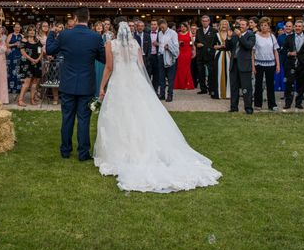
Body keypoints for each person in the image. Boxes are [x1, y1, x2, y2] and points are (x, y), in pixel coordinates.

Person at [94, 19, 221, 193]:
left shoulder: (111, 44)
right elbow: (140, 65)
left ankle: (124, 150)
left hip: (119, 81)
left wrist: (101, 87)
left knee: (120, 114)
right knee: (140, 114)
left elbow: (109, 67)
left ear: (115, 31)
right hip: (135, 81)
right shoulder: (134, 44)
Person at [46, 7, 105, 161]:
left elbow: (50, 49)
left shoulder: (65, 35)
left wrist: (52, 33)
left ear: (76, 18)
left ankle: (65, 151)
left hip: (68, 84)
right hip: (86, 85)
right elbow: (104, 58)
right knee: (84, 119)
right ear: (88, 18)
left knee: (67, 118)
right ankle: (83, 153)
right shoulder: (95, 37)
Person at [226, 18, 255, 114]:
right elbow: (228, 47)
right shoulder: (234, 35)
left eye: (243, 25)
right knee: (234, 87)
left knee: (246, 88)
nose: (241, 26)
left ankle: (248, 107)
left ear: (247, 26)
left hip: (244, 65)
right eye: (240, 24)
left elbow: (248, 46)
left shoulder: (251, 35)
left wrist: (240, 35)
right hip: (234, 64)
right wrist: (229, 38)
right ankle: (234, 107)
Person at [253, 17, 280, 111]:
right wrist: (253, 66)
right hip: (258, 63)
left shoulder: (272, 36)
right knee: (258, 85)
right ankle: (257, 104)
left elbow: (275, 51)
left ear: (269, 26)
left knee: (270, 85)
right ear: (259, 26)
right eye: (262, 25)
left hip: (271, 63)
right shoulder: (256, 36)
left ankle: (272, 105)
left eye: (265, 25)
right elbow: (252, 52)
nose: (263, 27)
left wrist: (278, 65)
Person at [282, 20, 304, 109]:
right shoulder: (289, 37)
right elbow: (283, 50)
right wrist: (289, 53)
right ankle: (288, 103)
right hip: (290, 64)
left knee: (301, 85)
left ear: (303, 28)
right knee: (289, 84)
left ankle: (298, 103)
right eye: (296, 26)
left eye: (299, 26)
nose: (297, 28)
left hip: (303, 65)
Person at [18, 25, 43, 106]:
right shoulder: (24, 40)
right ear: (27, 31)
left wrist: (38, 59)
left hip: (37, 63)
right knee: (27, 82)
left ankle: (32, 100)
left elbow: (41, 51)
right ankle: (20, 100)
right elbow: (23, 52)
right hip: (27, 63)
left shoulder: (37, 40)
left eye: (33, 30)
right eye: (30, 30)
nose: (32, 32)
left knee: (35, 82)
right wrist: (31, 59)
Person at [156, 18, 179, 102]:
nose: (162, 29)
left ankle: (170, 95)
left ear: (166, 24)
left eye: (163, 27)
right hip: (161, 56)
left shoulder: (173, 33)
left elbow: (176, 46)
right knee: (161, 77)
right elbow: (160, 44)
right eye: (160, 28)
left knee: (170, 77)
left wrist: (168, 47)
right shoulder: (159, 33)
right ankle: (162, 94)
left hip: (170, 57)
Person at [194, 15, 215, 95]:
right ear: (201, 22)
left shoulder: (214, 30)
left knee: (210, 73)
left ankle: (211, 89)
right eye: (203, 21)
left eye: (206, 21)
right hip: (200, 54)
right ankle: (203, 89)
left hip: (210, 55)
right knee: (200, 72)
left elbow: (215, 43)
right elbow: (195, 42)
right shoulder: (198, 30)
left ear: (209, 22)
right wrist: (197, 44)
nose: (205, 22)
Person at [210, 19, 231, 99]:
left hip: (229, 55)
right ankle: (219, 93)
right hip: (219, 55)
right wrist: (220, 46)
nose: (224, 26)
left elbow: (233, 46)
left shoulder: (231, 34)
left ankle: (228, 94)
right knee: (219, 73)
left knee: (229, 74)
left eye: (226, 24)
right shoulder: (216, 35)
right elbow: (213, 46)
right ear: (220, 25)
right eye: (223, 24)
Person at [173, 22, 194, 90]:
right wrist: (179, 43)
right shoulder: (177, 34)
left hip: (188, 52)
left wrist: (193, 51)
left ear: (186, 27)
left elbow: (192, 43)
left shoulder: (190, 33)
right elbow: (175, 44)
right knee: (179, 67)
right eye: (181, 26)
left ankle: (187, 84)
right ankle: (179, 84)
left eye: (184, 26)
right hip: (180, 52)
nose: (183, 28)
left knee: (187, 68)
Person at [6, 23, 23, 95]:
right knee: (11, 69)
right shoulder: (10, 35)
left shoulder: (22, 36)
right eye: (16, 27)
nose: (17, 29)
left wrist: (20, 45)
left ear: (20, 28)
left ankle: (18, 88)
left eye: (18, 27)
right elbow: (6, 44)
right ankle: (10, 88)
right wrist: (14, 44)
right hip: (11, 54)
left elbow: (24, 45)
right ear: (13, 28)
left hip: (19, 54)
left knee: (18, 70)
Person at [93, 21, 105, 98]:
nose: (99, 27)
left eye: (100, 26)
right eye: (97, 26)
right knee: (95, 76)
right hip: (95, 59)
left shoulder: (106, 36)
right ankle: (95, 94)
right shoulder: (93, 36)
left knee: (102, 76)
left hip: (103, 60)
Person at [148, 20, 160, 92]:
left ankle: (155, 91)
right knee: (148, 74)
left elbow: (164, 44)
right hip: (149, 56)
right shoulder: (147, 33)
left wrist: (158, 44)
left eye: (154, 24)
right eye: (152, 24)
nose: (153, 26)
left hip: (157, 56)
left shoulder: (160, 34)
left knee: (156, 75)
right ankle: (148, 91)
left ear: (157, 25)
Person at [190, 23, 199, 87]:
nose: (193, 30)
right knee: (191, 69)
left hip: (198, 55)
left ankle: (196, 83)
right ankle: (192, 83)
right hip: (190, 55)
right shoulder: (188, 36)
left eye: (194, 29)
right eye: (192, 29)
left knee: (197, 70)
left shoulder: (199, 36)